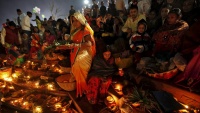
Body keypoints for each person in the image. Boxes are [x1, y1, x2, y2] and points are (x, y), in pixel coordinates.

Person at [69, 12, 96, 97]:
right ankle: (81, 88)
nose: (74, 23)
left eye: (76, 21)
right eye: (73, 21)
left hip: (86, 52)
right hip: (76, 51)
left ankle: (84, 89)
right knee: (76, 63)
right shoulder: (75, 31)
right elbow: (74, 42)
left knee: (78, 63)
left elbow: (89, 44)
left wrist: (77, 45)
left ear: (81, 20)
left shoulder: (86, 31)